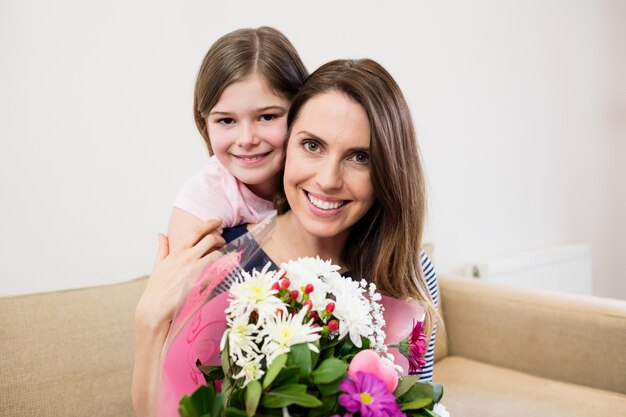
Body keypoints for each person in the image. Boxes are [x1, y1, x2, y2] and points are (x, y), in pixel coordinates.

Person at [134, 58, 439, 417]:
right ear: (286, 145)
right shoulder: (222, 260)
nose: (327, 179)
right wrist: (149, 322)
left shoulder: (409, 272)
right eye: (312, 145)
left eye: (360, 157)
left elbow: (416, 404)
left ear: (387, 171)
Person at [167, 26, 308, 250]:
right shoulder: (205, 195)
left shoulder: (322, 176)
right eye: (226, 121)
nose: (246, 139)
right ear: (206, 124)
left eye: (267, 117)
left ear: (302, 111)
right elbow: (183, 281)